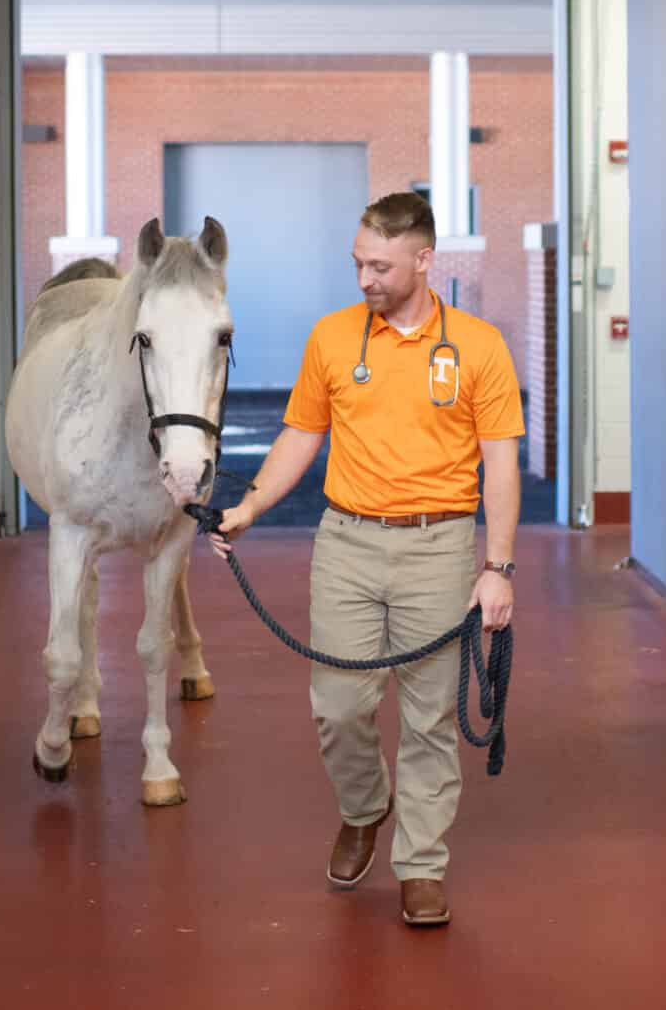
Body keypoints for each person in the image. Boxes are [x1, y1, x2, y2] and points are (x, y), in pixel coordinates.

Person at [207, 192, 522, 928]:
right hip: (346, 541)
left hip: (440, 545)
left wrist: (497, 567)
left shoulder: (479, 347)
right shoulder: (332, 338)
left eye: (379, 265)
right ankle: (364, 806)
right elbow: (298, 436)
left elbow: (501, 464)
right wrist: (249, 506)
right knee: (339, 707)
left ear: (423, 259)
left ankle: (421, 864)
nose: (364, 279)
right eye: (357, 263)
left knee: (429, 716)